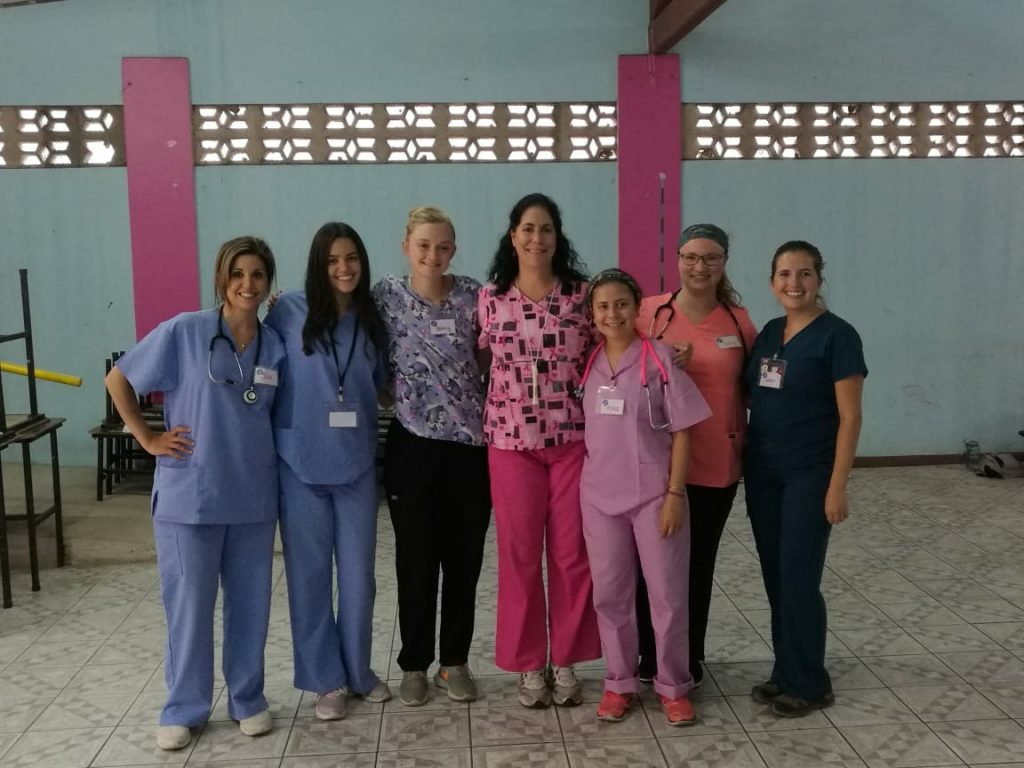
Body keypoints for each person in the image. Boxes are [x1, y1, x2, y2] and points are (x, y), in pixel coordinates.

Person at [105, 237, 285, 751]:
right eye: (238, 273)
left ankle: (247, 699)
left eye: (257, 274)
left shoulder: (274, 347)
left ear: (268, 281)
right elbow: (119, 380)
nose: (247, 284)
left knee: (250, 606)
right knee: (188, 607)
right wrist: (147, 438)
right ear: (222, 279)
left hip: (252, 494)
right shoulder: (186, 331)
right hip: (192, 496)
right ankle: (183, 707)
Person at [478, 192, 601, 708]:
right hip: (511, 444)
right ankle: (530, 663)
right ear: (513, 236)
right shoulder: (490, 298)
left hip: (572, 440)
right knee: (520, 554)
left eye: (546, 228)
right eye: (527, 229)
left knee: (572, 553)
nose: (536, 238)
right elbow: (478, 361)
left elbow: (610, 348)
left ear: (557, 237)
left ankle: (567, 657)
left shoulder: (581, 296)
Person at [264, 222, 391, 722]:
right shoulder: (287, 311)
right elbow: (263, 367)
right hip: (300, 464)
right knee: (309, 577)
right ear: (319, 264)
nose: (344, 268)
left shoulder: (372, 318)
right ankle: (325, 680)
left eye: (352, 258)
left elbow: (383, 385)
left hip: (356, 464)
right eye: (333, 259)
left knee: (359, 578)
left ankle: (358, 672)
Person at [578, 269, 711, 726]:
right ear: (592, 314)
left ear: (637, 308)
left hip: (655, 496)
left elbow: (683, 431)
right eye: (602, 306)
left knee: (667, 596)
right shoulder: (589, 363)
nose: (612, 314)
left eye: (621, 304)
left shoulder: (660, 359)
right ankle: (619, 682)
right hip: (599, 497)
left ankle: (673, 686)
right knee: (610, 595)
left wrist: (674, 493)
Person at [372, 206, 491, 706]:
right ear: (406, 247)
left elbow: (489, 356)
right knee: (415, 560)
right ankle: (415, 663)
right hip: (412, 445)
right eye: (423, 245)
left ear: (454, 250)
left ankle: (455, 662)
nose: (433, 255)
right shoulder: (385, 296)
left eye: (443, 246)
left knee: (463, 562)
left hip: (470, 448)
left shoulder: (475, 297)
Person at [744, 240, 866, 718]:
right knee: (776, 576)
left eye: (804, 274)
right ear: (772, 281)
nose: (794, 283)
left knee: (799, 577)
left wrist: (838, 485)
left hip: (809, 475)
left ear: (818, 279)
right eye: (785, 274)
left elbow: (850, 418)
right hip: (763, 473)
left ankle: (810, 684)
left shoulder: (839, 336)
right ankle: (786, 671)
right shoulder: (770, 333)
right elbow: (751, 393)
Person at [634, 224, 758, 686]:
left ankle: (687, 657)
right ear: (677, 260)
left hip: (715, 464)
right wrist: (658, 353)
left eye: (710, 258)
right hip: (657, 462)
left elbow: (753, 388)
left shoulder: (739, 323)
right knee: (650, 565)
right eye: (690, 257)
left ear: (724, 262)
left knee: (697, 565)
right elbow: (618, 361)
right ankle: (648, 655)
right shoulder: (650, 314)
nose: (699, 266)